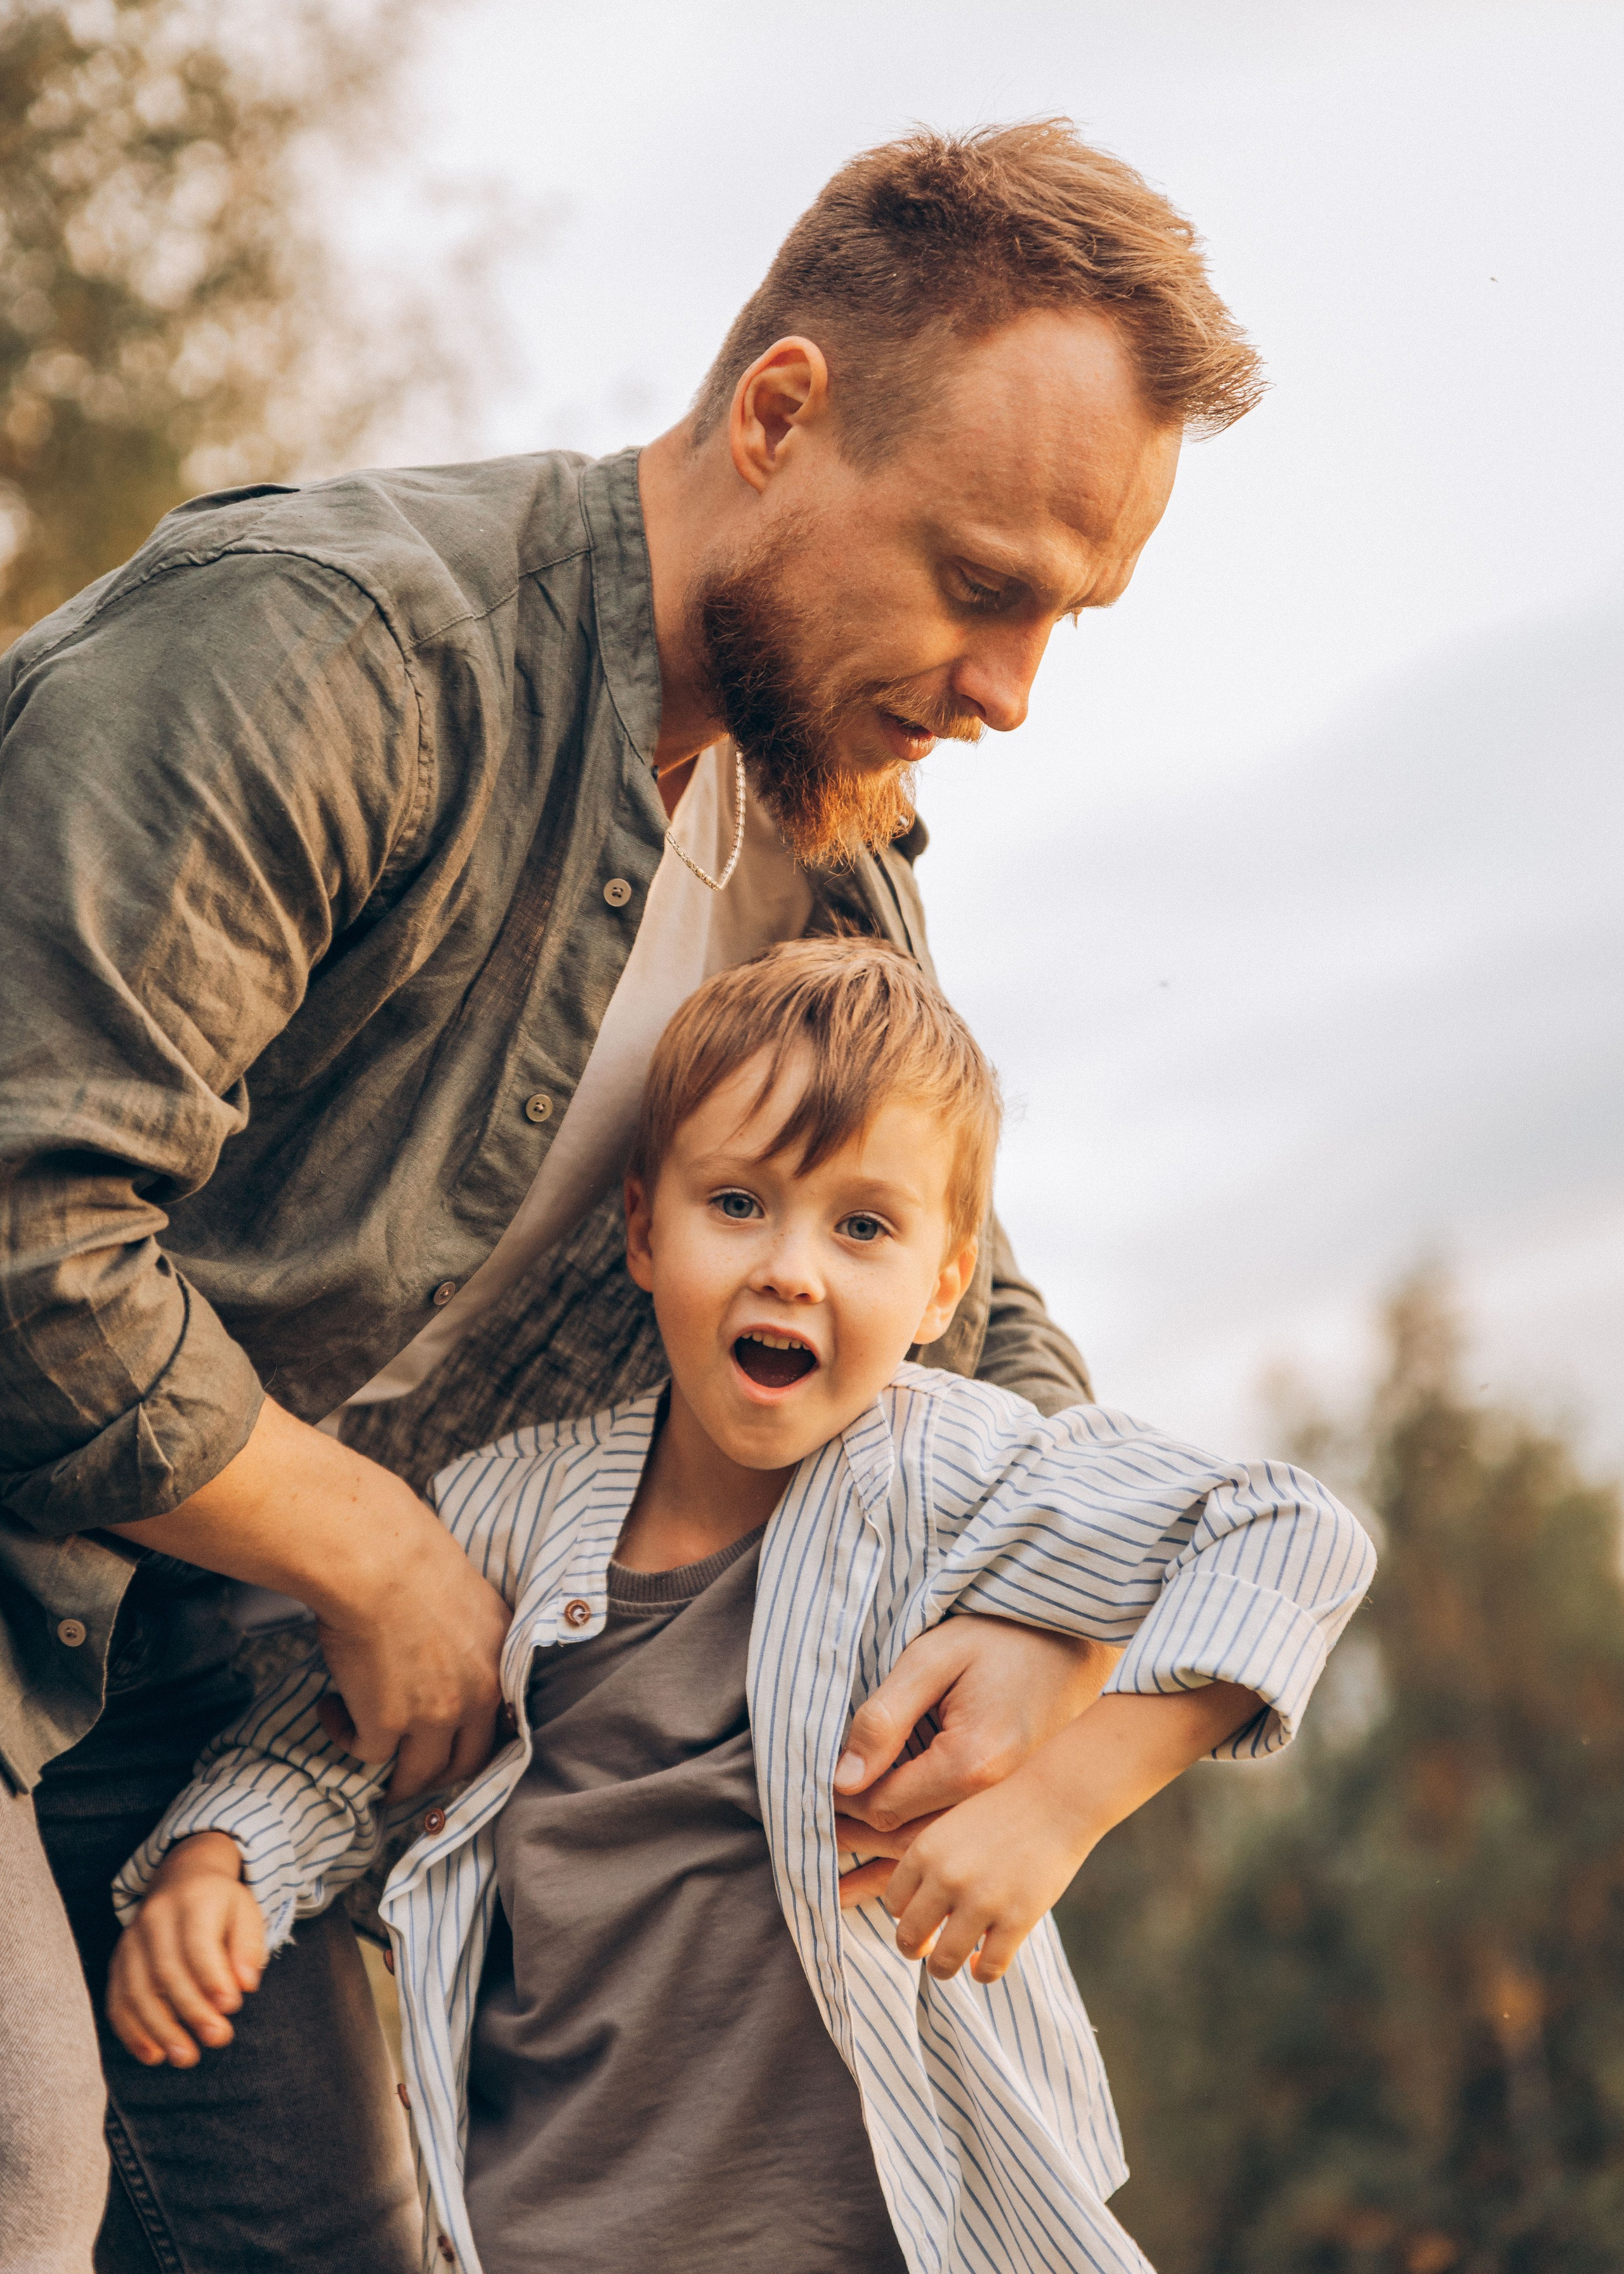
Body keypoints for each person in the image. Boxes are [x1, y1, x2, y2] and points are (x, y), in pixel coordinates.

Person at [0, 122, 1266, 2266]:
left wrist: (1038, 1614)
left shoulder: (825, 877)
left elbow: (963, 1312)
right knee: (25, 2184)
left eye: (1066, 620)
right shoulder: (331, 655)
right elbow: (26, 1229)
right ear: (781, 415)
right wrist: (387, 1557)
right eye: (980, 584)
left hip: (227, 1710)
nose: (1011, 694)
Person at [105, 941, 1375, 2274]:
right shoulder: (505, 1509)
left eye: (862, 1227)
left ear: (948, 1283)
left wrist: (1057, 1805)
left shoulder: (958, 1471)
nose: (790, 1269)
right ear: (645, 1232)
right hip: (548, 2231)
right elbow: (341, 1725)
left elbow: (1287, 1533)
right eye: (738, 1204)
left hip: (901, 2229)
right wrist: (222, 1861)